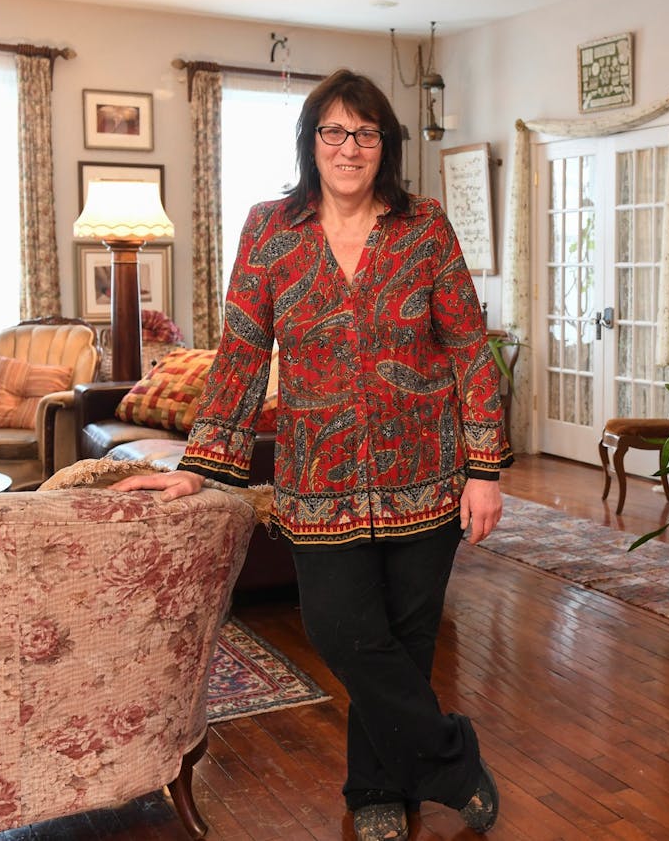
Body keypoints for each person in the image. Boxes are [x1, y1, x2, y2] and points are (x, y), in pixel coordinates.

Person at [112, 69, 512, 841]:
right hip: (316, 477)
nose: (349, 147)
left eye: (365, 133)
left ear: (385, 145)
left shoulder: (425, 227)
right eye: (333, 131)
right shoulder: (270, 228)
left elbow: (469, 347)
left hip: (426, 474)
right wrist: (198, 463)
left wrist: (485, 468)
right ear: (311, 142)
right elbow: (241, 350)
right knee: (340, 630)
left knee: (405, 642)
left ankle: (374, 792)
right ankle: (453, 760)